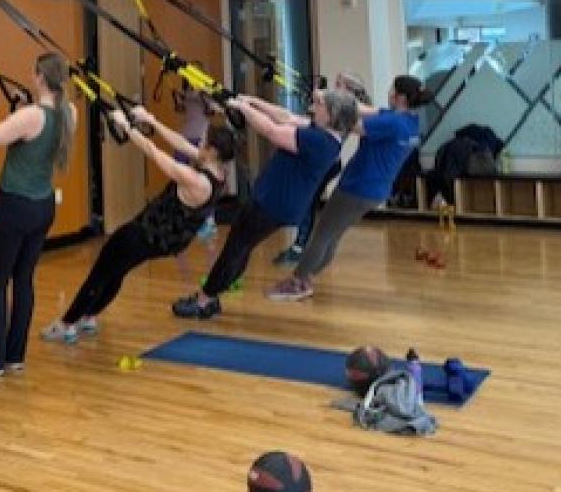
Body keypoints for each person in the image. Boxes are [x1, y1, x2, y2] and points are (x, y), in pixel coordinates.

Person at [42, 111, 233, 343]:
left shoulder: (198, 181)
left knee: (103, 268)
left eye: (204, 140)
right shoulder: (218, 171)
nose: (199, 142)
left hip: (149, 232)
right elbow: (181, 143)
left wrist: (127, 127)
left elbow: (154, 153)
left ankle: (67, 323)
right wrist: (151, 120)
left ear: (212, 150)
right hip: (167, 238)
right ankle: (89, 316)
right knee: (118, 268)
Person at [173, 88, 358, 320]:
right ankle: (213, 293)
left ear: (331, 115)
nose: (313, 106)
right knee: (241, 245)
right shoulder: (325, 134)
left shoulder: (319, 141)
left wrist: (243, 108)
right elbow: (285, 117)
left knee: (236, 247)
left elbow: (271, 130)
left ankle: (205, 301)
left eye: (319, 104)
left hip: (273, 204)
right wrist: (250, 100)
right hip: (274, 200)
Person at [266, 75, 429, 302]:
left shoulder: (393, 123)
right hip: (373, 191)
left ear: (400, 97)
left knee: (322, 234)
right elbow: (363, 109)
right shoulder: (409, 122)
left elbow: (349, 124)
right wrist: (343, 94)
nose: (389, 92)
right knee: (332, 234)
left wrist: (325, 103)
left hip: (358, 188)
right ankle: (307, 277)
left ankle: (298, 282)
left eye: (392, 90)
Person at [0, 52, 74, 377]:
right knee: (23, 279)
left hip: (13, 207)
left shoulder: (30, 116)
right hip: (42, 208)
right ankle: (14, 356)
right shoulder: (70, 113)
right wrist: (22, 105)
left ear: (39, 76)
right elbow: (34, 134)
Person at [274, 72, 370, 266]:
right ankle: (301, 245)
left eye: (339, 84)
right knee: (306, 202)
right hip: (323, 161)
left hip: (327, 163)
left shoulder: (346, 110)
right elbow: (313, 114)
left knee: (307, 202)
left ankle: (300, 248)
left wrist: (318, 96)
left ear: (349, 90)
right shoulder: (335, 106)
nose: (334, 87)